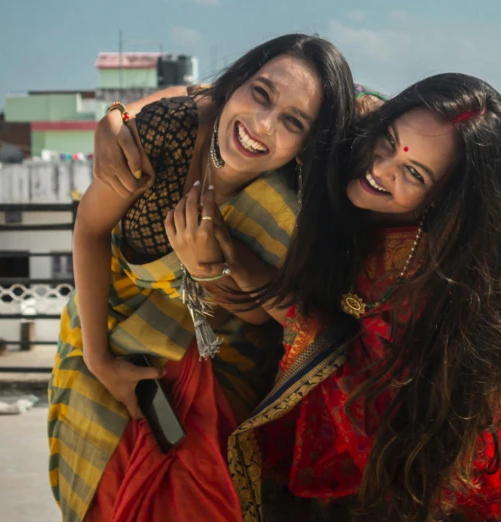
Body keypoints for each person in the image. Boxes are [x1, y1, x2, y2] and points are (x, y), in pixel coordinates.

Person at [102, 74, 501, 521]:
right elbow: (233, 87)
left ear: (444, 200)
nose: (381, 168)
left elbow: (337, 358)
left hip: (412, 464)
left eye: (412, 173)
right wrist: (122, 118)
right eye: (388, 141)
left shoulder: (437, 280)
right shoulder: (357, 122)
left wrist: (228, 257)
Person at [47, 33, 355, 522]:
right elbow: (90, 227)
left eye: (293, 122)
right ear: (234, 85)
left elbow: (258, 315)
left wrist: (211, 266)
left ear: (307, 145)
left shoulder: (289, 205)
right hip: (109, 327)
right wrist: (99, 359)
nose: (261, 124)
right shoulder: (167, 135)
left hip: (223, 360)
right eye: (261, 93)